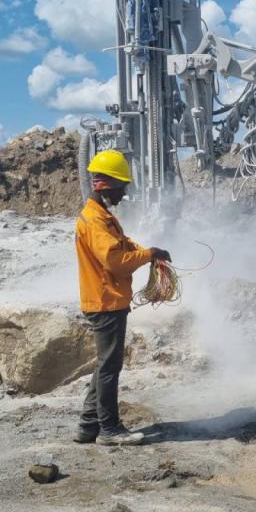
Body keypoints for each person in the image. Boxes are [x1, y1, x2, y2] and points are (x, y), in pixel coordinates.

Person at [73, 149, 170, 446]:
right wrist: (149, 255)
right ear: (105, 185)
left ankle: (88, 426)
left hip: (107, 300)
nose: (124, 194)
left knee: (106, 365)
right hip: (106, 302)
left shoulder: (102, 218)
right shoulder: (96, 221)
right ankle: (109, 429)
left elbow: (124, 244)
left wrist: (148, 252)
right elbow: (116, 262)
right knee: (109, 369)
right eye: (121, 188)